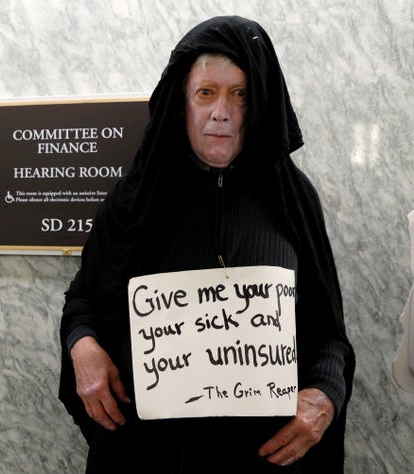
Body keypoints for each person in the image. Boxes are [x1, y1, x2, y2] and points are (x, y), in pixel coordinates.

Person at [58, 16, 355, 473]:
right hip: (147, 455)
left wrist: (324, 396)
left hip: (263, 457)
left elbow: (328, 333)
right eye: (206, 93)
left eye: (241, 94)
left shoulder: (293, 200)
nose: (222, 112)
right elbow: (83, 299)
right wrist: (83, 346)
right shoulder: (133, 200)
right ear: (182, 102)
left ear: (260, 106)